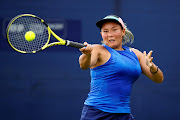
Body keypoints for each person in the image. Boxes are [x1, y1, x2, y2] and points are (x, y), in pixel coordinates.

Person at [79, 15, 164, 120]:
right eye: (105, 31)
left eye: (114, 30)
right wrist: (86, 54)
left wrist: (152, 67)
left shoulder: (135, 54)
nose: (110, 35)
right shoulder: (98, 49)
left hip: (123, 114)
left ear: (123, 32)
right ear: (101, 34)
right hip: (97, 113)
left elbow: (159, 79)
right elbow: (84, 65)